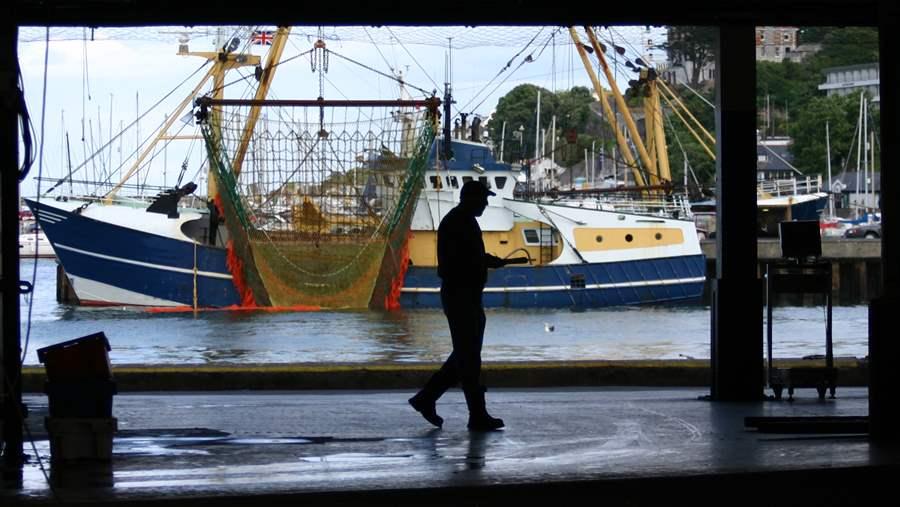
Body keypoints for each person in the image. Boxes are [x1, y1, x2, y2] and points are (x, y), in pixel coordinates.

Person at [409, 180, 510, 431]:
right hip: (462, 296)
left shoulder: (460, 220)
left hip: (466, 297)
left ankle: (428, 399)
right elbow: (461, 262)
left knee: (466, 355)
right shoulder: (459, 223)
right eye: (483, 199)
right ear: (471, 198)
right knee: (469, 357)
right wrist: (485, 263)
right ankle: (475, 414)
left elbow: (468, 257)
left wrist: (486, 261)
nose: (486, 203)